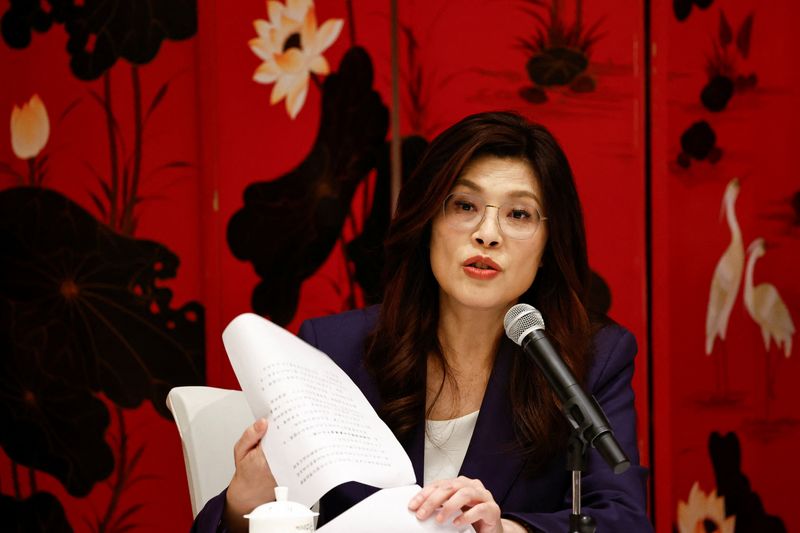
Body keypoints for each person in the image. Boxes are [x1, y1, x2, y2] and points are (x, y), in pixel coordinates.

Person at [193, 111, 652, 532]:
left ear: (549, 243)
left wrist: (505, 530)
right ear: (428, 219)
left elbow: (623, 519)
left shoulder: (591, 360)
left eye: (518, 214)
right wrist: (244, 502)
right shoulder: (334, 351)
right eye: (465, 206)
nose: (487, 234)